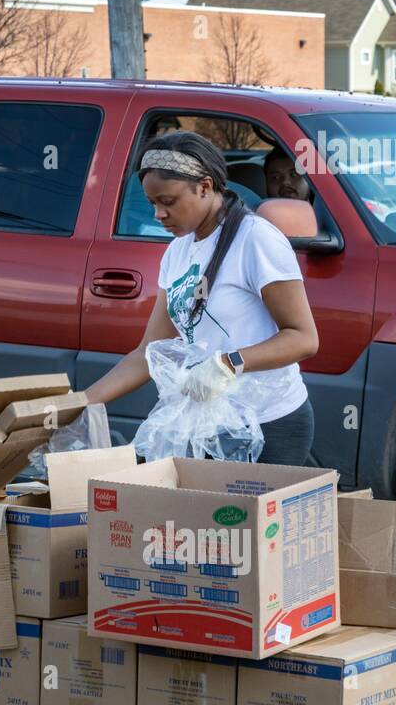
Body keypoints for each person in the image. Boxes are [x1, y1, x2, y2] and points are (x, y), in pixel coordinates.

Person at [83, 131, 320, 466]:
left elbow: (303, 339)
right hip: (209, 423)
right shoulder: (177, 252)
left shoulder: (256, 239)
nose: (158, 215)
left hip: (268, 423)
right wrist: (83, 401)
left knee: (239, 520)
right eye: (152, 204)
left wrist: (228, 363)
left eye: (168, 202)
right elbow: (147, 352)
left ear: (206, 187)